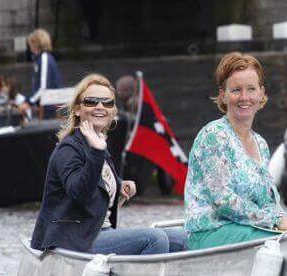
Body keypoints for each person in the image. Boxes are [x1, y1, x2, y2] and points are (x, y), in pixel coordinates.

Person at [30, 74, 186, 255]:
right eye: (91, 101)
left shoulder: (97, 142)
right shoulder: (69, 149)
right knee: (155, 238)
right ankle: (142, 275)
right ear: (78, 109)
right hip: (73, 238)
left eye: (107, 103)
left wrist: (119, 184)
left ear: (113, 111)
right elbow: (79, 193)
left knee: (182, 239)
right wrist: (97, 151)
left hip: (100, 231)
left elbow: (97, 179)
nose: (100, 106)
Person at [184, 52, 287, 250]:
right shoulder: (213, 136)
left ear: (261, 93)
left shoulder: (261, 144)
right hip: (211, 232)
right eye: (236, 90)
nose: (244, 97)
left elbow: (268, 205)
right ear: (223, 95)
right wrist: (278, 222)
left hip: (247, 228)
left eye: (251, 89)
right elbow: (223, 201)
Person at [21, 29, 63, 117]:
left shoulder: (44, 57)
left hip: (48, 105)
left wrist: (30, 102)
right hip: (46, 103)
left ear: (36, 44)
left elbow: (43, 87)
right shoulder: (41, 58)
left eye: (31, 43)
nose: (30, 47)